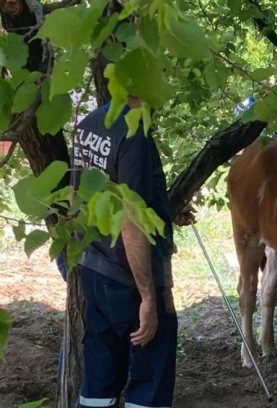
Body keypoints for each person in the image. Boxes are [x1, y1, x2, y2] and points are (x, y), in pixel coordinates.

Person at [71, 96, 194, 408]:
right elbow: (131, 220)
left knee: (100, 377)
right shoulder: (134, 130)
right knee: (150, 380)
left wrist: (163, 211)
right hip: (130, 277)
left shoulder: (88, 124)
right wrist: (149, 298)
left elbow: (97, 194)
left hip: (95, 268)